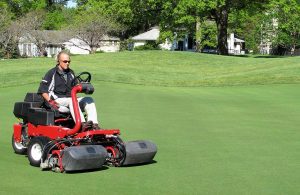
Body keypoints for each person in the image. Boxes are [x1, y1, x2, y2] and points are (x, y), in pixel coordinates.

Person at [37, 51, 101, 130]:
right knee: (72, 101)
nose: (67, 63)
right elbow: (42, 90)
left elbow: (76, 87)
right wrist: (50, 102)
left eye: (68, 61)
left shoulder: (71, 73)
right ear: (58, 61)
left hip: (70, 99)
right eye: (65, 61)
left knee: (89, 99)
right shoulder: (51, 73)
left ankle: (94, 124)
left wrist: (85, 87)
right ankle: (82, 124)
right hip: (57, 100)